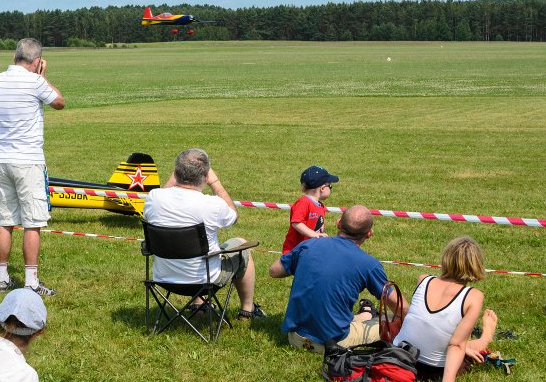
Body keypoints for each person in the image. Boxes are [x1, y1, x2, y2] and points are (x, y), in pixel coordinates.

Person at [142, 148, 259, 319]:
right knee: (241, 244)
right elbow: (233, 217)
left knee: (192, 249)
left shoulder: (153, 198)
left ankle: (200, 304)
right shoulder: (211, 204)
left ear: (176, 173)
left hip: (164, 278)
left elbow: (162, 193)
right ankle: (247, 309)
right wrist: (215, 183)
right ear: (205, 177)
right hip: (204, 280)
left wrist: (175, 176)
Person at [0, 38, 64, 295]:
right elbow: (59, 102)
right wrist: (42, 76)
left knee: (5, 220)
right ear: (36, 61)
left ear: (14, 57)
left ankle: (1, 277)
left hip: (2, 159)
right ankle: (31, 281)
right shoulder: (35, 81)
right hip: (28, 160)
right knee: (32, 222)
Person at [270, 205, 399, 353]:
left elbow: (274, 271)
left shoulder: (309, 244)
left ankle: (366, 315)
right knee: (394, 319)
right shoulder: (369, 264)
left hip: (295, 337)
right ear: (369, 233)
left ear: (338, 223)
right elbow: (398, 306)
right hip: (333, 343)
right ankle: (368, 316)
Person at [391, 236, 497, 382]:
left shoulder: (423, 279)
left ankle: (471, 344)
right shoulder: (474, 296)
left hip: (398, 356)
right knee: (464, 345)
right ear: (476, 264)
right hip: (431, 369)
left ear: (446, 259)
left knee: (459, 342)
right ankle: (487, 335)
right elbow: (456, 344)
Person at [282, 165, 338, 254]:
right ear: (322, 188)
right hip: (294, 251)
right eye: (330, 185)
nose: (331, 188)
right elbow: (296, 222)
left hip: (309, 250)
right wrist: (314, 234)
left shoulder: (320, 206)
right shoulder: (303, 202)